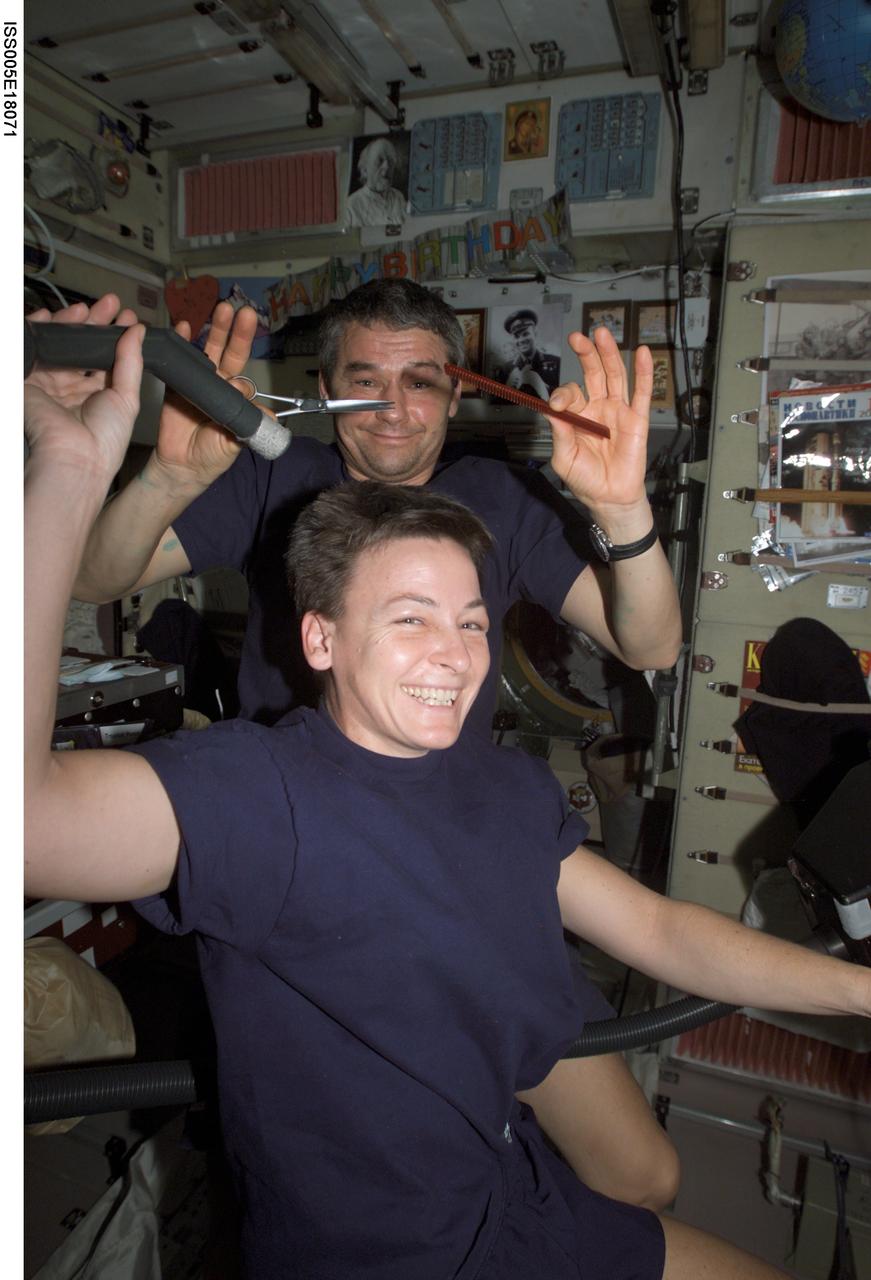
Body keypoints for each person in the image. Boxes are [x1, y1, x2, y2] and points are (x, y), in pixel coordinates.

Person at [24, 338, 871, 1279]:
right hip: (402, 1255)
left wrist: (859, 991)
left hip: (514, 1198)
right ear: (319, 638)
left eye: (471, 621)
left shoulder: (502, 789)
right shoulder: (257, 796)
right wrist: (71, 467)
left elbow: (663, 932)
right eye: (409, 618)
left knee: (650, 1178)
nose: (455, 652)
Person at [30, 279, 683, 1214]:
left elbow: (650, 644)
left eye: (421, 381)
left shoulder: (492, 493)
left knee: (641, 1173)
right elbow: (100, 570)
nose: (392, 405)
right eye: (363, 378)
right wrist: (171, 477)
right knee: (357, 1174)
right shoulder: (271, 472)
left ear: (456, 396)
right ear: (323, 384)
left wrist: (625, 516)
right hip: (298, 846)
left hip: (459, 846)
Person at [494, 306, 561, 399]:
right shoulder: (505, 369)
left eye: (525, 334)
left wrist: (543, 388)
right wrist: (507, 389)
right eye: (516, 336)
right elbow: (496, 405)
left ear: (535, 333)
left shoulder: (556, 363)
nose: (521, 340)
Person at [345, 136, 407, 228]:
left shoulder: (398, 197)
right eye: (379, 160)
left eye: (390, 161)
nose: (387, 167)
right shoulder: (351, 205)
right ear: (365, 170)